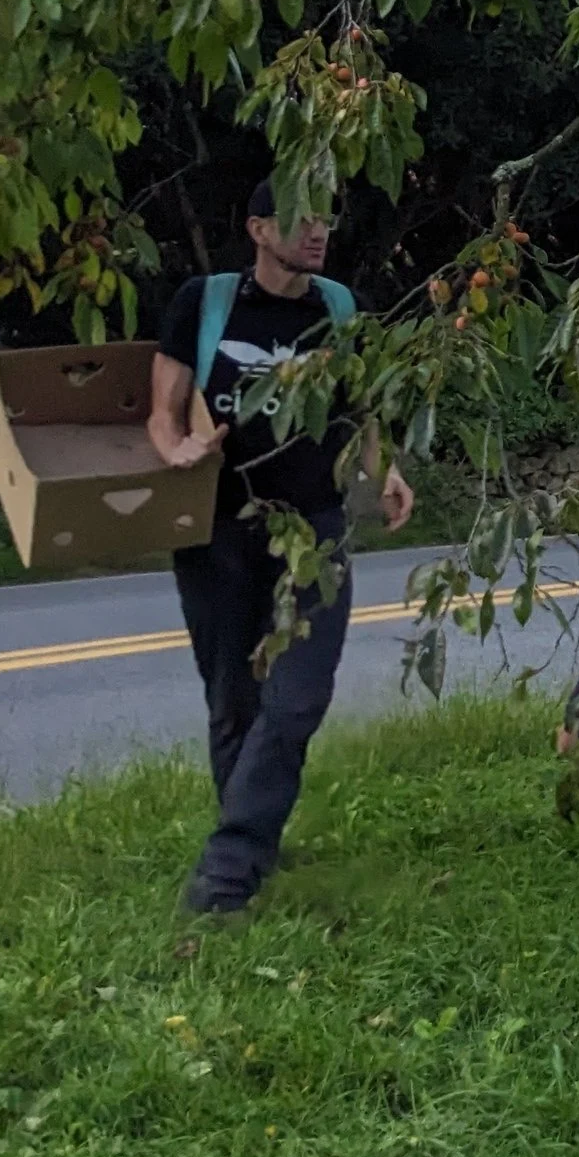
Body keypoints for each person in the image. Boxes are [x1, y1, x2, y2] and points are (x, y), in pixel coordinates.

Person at [147, 180, 414, 914]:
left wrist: (384, 469)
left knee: (297, 696)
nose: (320, 230)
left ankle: (227, 871)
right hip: (219, 530)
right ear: (259, 227)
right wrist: (178, 451)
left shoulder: (338, 308)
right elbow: (161, 413)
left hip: (315, 530)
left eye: (326, 217)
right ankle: (255, 836)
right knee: (233, 698)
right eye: (301, 219)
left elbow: (362, 408)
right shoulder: (204, 303)